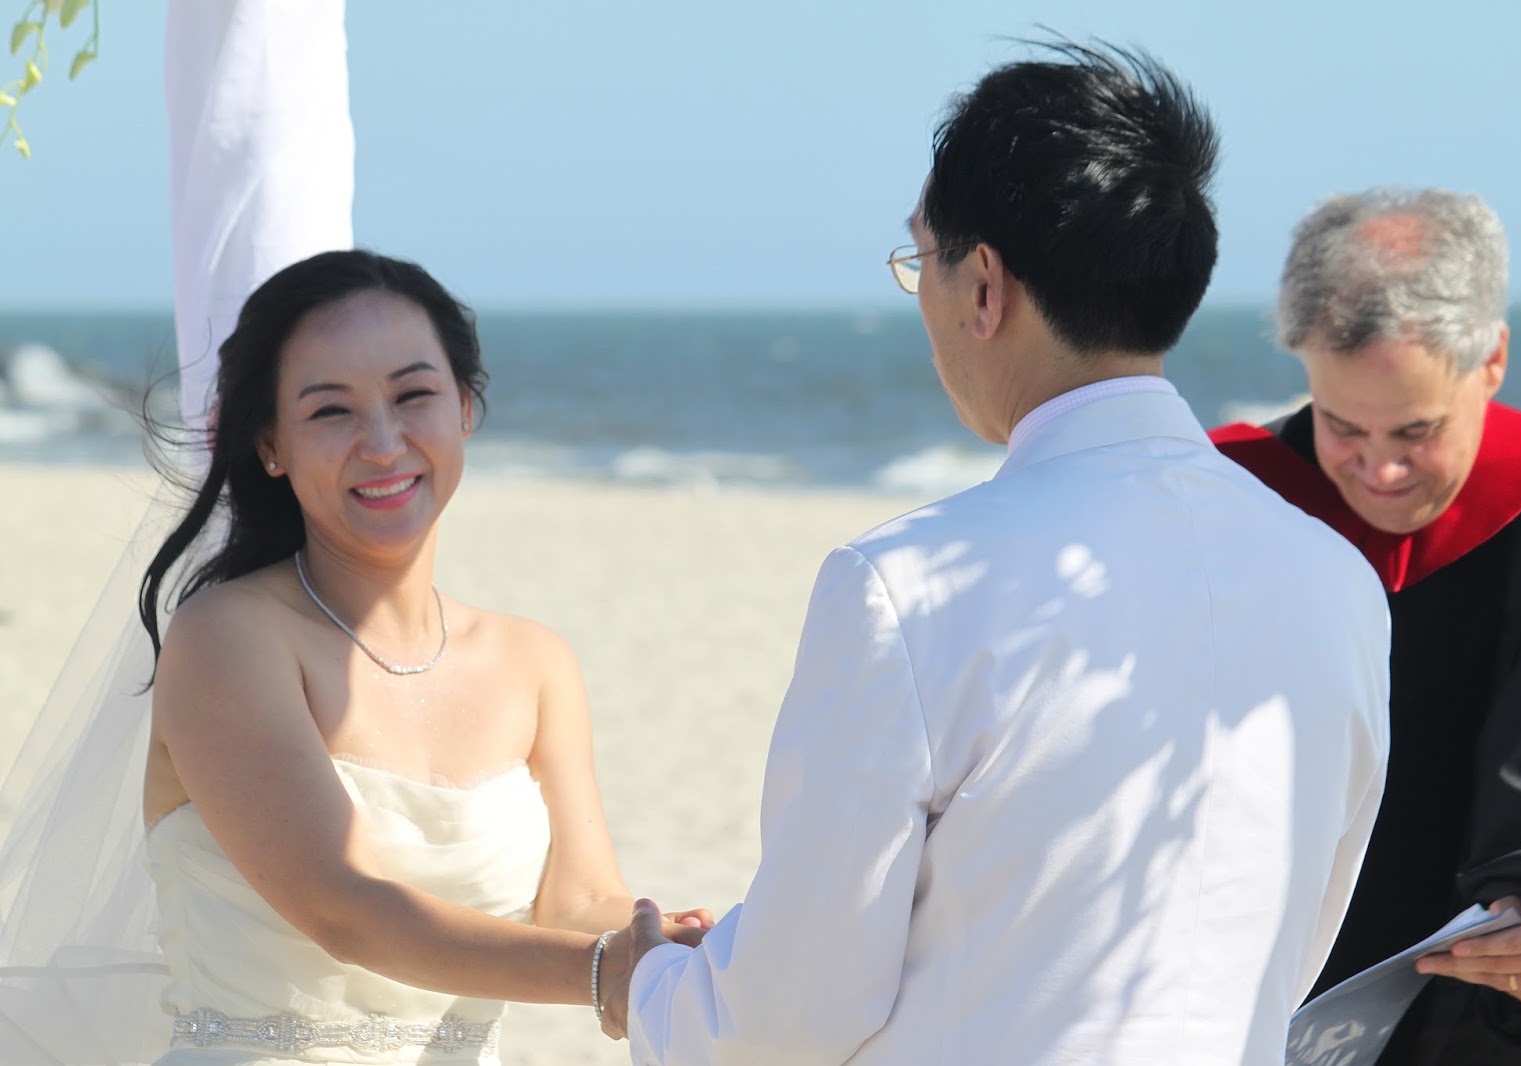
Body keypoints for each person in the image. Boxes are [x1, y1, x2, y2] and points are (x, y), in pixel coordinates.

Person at [597, 41, 1392, 1066]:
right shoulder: (1335, 577)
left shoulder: (906, 584)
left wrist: (648, 982)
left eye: (918, 260)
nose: (921, 299)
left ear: (983, 286)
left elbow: (792, 1016)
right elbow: (1294, 945)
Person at [131, 249, 712, 1064]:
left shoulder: (535, 662)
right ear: (270, 445)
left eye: (414, 396)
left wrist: (671, 940)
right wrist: (600, 972)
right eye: (332, 411)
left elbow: (577, 900)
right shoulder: (228, 640)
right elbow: (348, 909)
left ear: (465, 409)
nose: (383, 442)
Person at [1211, 188, 1521, 1064]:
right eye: (1342, 425)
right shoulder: (1229, 503)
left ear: (1491, 359)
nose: (1379, 470)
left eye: (1417, 430)